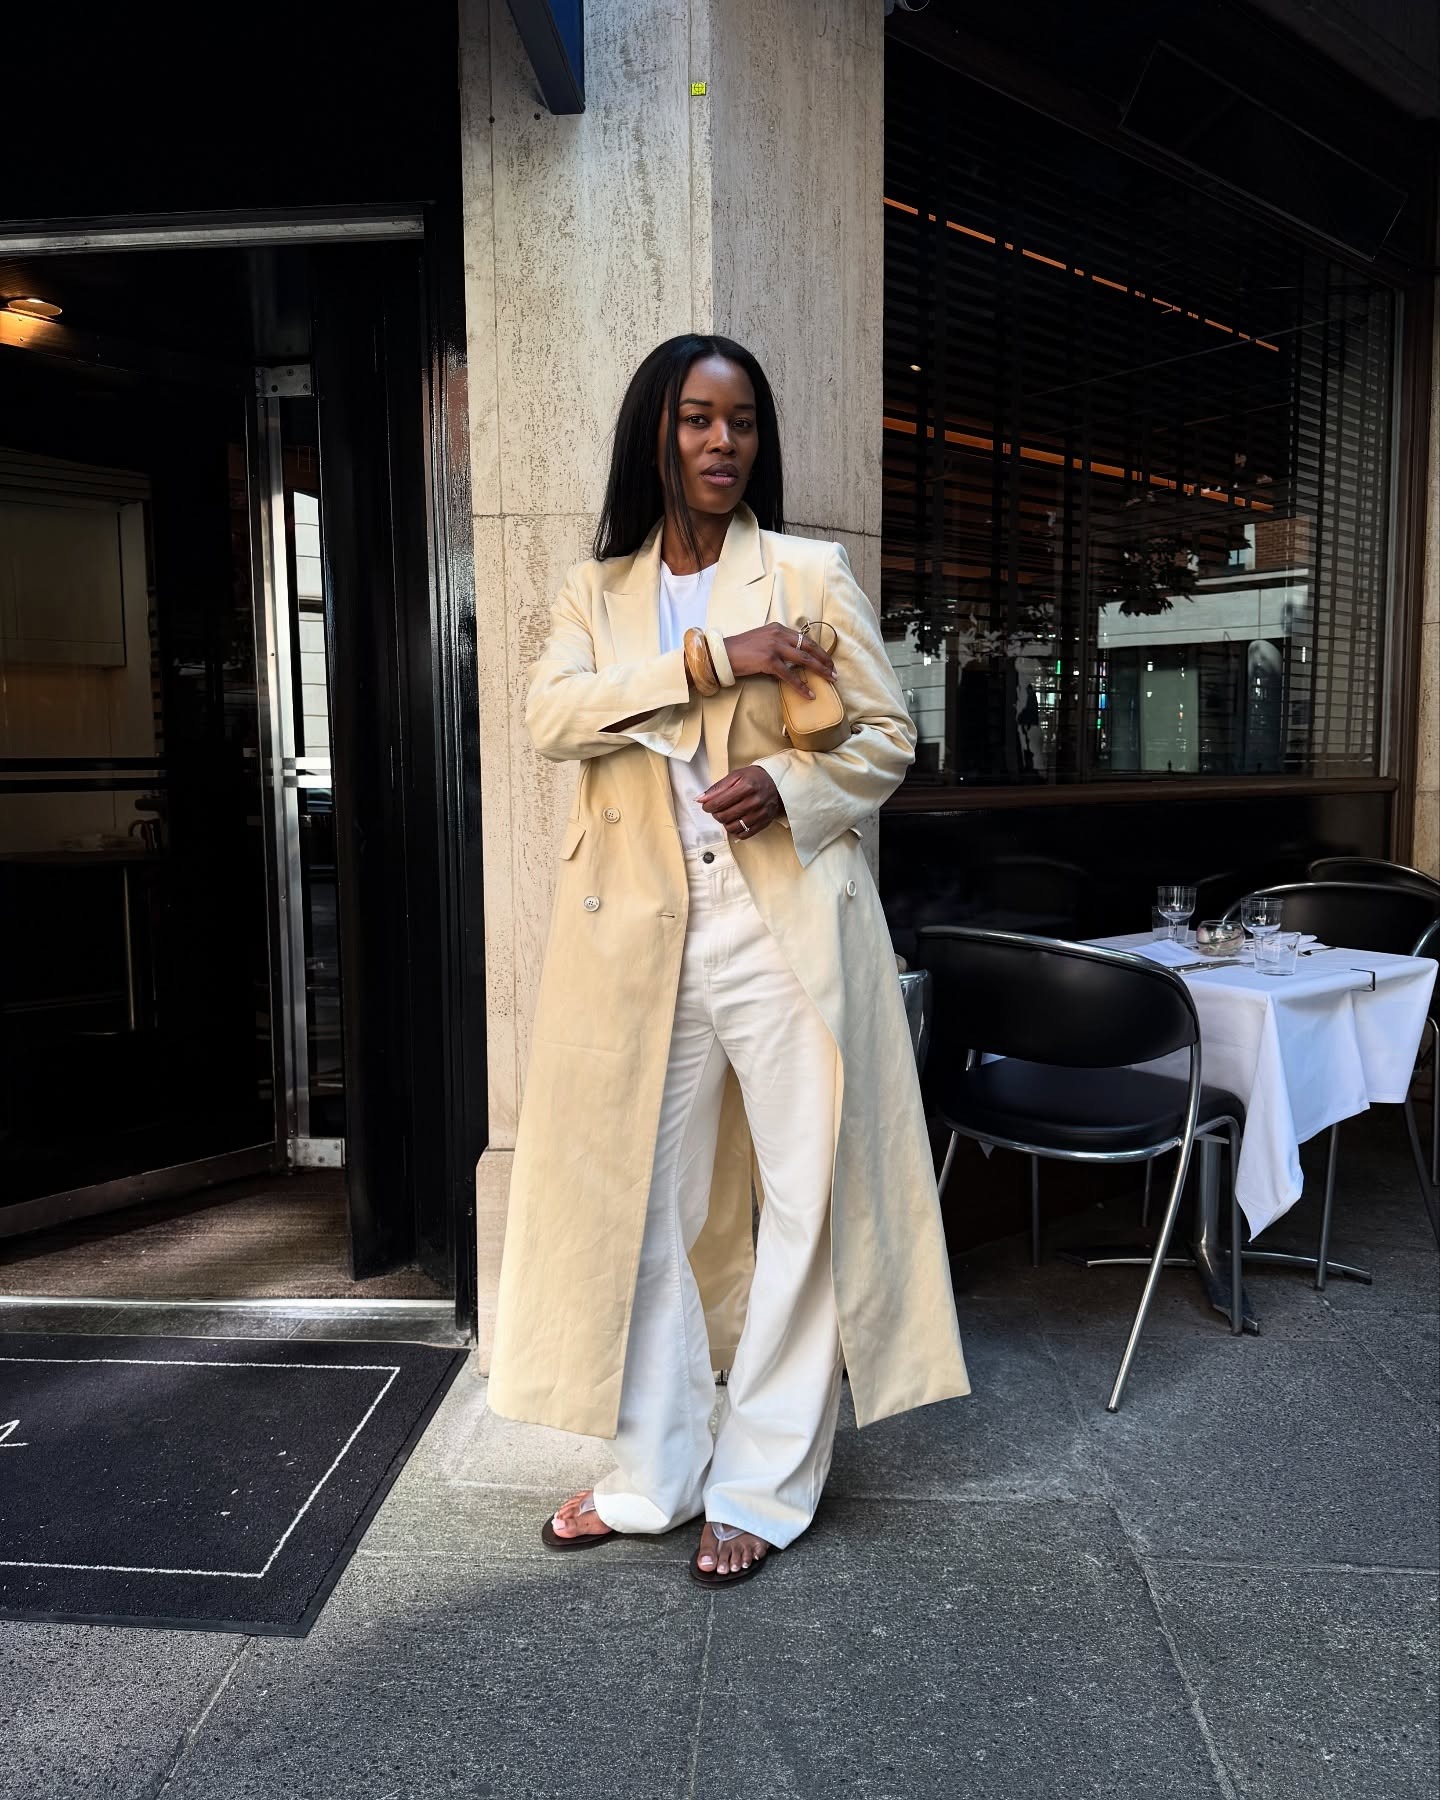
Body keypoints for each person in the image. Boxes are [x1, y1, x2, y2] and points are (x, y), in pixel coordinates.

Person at [487, 334, 968, 1587]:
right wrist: (713, 657)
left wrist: (792, 786)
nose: (721, 443)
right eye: (699, 419)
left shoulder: (806, 572)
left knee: (811, 1195)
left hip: (784, 919)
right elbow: (548, 720)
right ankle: (655, 1470)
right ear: (657, 430)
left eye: (742, 421)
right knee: (640, 1202)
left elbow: (887, 739)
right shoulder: (597, 591)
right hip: (639, 938)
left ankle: (763, 1480)